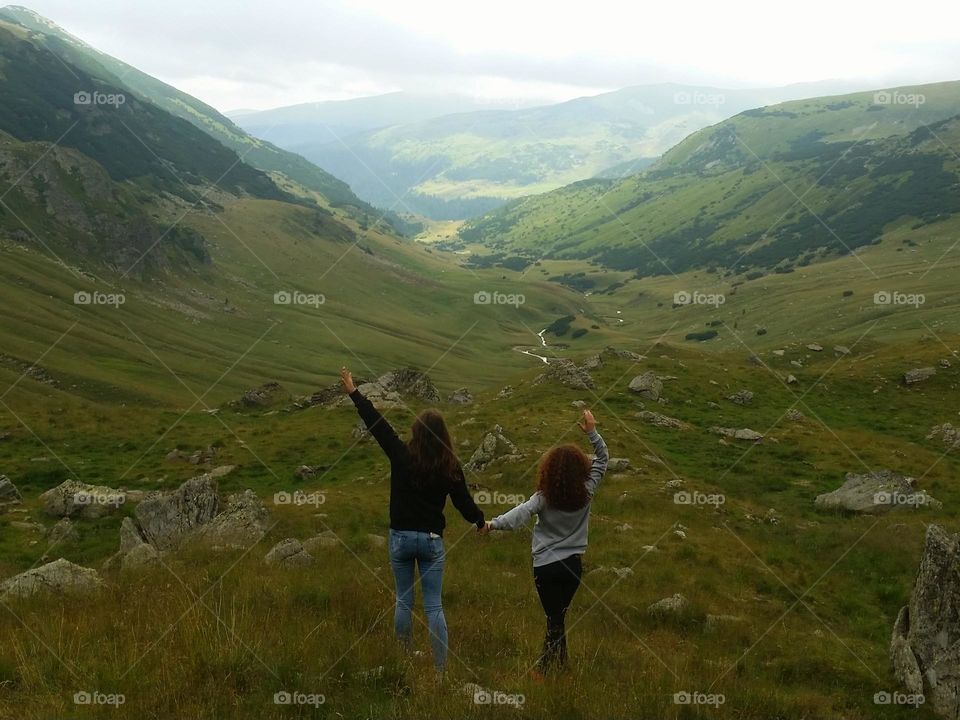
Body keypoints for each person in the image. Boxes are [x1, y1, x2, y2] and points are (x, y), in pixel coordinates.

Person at [340, 367, 484, 674]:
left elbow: (377, 424)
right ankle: (440, 672)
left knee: (404, 602)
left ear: (416, 433)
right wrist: (480, 522)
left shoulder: (401, 454)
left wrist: (354, 392)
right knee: (434, 606)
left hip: (401, 539)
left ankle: (403, 662)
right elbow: (464, 503)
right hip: (431, 541)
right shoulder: (450, 465)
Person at [481, 409, 608, 674]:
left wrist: (493, 524)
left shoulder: (543, 497)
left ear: (549, 470)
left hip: (546, 567)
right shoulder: (587, 490)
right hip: (573, 567)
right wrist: (592, 432)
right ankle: (561, 668)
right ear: (582, 469)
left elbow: (520, 514)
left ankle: (543, 671)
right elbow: (603, 458)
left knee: (555, 621)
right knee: (557, 619)